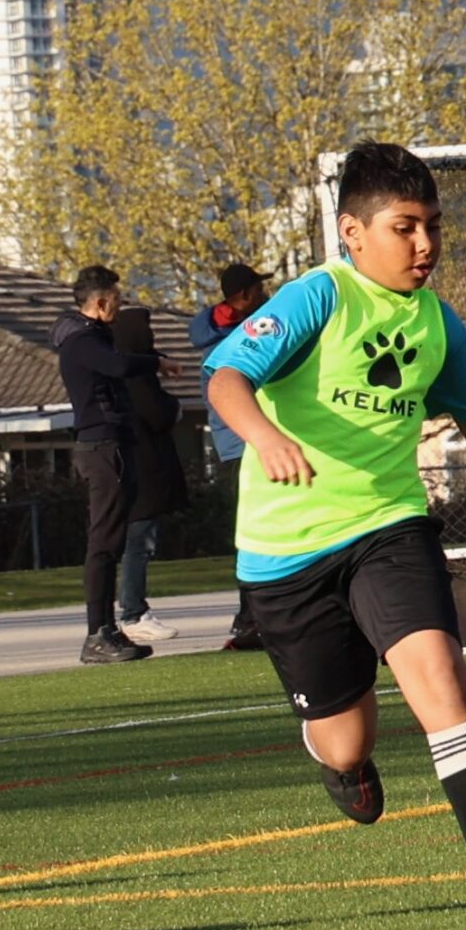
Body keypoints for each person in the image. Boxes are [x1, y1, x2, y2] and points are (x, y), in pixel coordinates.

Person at [204, 141, 466, 930]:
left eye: (433, 226)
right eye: (405, 227)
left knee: (441, 675)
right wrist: (264, 437)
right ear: (352, 232)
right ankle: (339, 761)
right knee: (348, 736)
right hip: (286, 557)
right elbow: (225, 378)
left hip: (388, 529)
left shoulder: (439, 323)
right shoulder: (315, 300)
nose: (425, 245)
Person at [52, 265, 161, 664]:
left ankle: (107, 628)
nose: (121, 304)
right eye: (117, 298)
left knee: (113, 540)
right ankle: (97, 633)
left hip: (113, 445)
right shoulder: (81, 341)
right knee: (104, 542)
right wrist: (154, 362)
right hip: (101, 449)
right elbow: (118, 367)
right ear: (100, 302)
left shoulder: (95, 336)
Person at [191, 263, 269, 651]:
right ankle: (250, 616)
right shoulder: (231, 341)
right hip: (244, 444)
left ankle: (254, 615)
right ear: (241, 297)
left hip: (246, 443)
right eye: (257, 290)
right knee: (258, 531)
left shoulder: (244, 328)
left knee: (263, 528)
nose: (264, 296)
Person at [112, 303, 191, 643]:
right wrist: (174, 408)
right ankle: (132, 612)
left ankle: (132, 610)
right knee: (138, 543)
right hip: (142, 469)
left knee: (139, 542)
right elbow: (157, 414)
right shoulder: (134, 377)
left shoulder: (121, 366)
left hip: (133, 466)